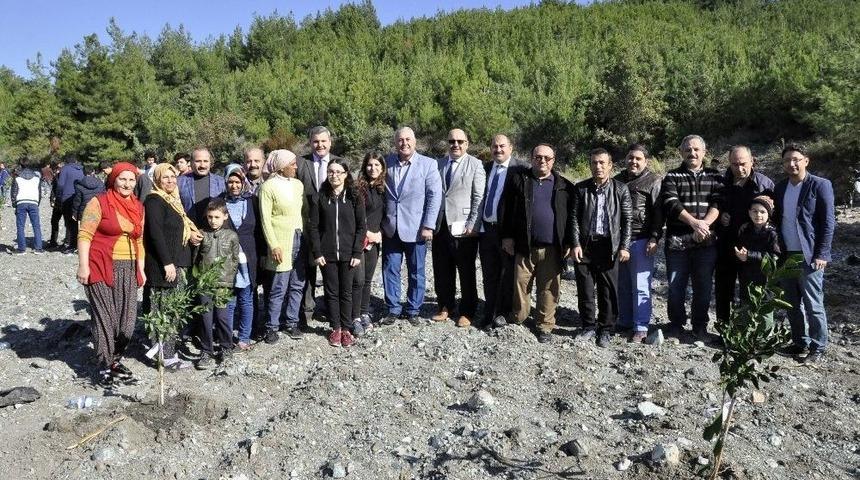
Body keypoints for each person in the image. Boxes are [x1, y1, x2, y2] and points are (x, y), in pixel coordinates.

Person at [76, 162, 146, 386]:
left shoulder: (138, 206)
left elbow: (139, 240)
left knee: (126, 323)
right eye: (122, 179)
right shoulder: (99, 202)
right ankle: (105, 365)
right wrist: (83, 266)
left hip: (129, 266)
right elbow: (85, 234)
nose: (127, 184)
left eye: (131, 180)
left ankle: (115, 358)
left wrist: (141, 269)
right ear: (113, 180)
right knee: (105, 318)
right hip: (100, 263)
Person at [500, 144, 575, 343]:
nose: (542, 161)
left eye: (547, 158)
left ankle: (545, 325)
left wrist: (569, 242)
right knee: (520, 284)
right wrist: (507, 236)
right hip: (524, 245)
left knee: (549, 288)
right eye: (538, 157)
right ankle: (519, 316)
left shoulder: (564, 186)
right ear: (531, 158)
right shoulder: (519, 180)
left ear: (554, 160)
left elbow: (570, 218)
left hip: (552, 247)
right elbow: (507, 210)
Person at [773, 143, 835, 363]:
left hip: (810, 256)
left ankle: (818, 346)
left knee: (813, 303)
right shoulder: (780, 188)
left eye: (796, 159)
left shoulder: (820, 185)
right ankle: (800, 342)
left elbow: (828, 223)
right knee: (791, 303)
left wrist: (822, 254)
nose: (791, 164)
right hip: (788, 254)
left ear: (806, 161)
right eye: (787, 160)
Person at [660, 135, 722, 341]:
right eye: (688, 150)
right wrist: (694, 223)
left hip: (706, 242)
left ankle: (700, 327)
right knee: (676, 286)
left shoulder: (715, 176)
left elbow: (718, 203)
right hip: (678, 242)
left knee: (703, 287)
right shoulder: (672, 176)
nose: (692, 153)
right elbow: (671, 202)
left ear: (704, 152)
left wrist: (703, 226)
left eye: (696, 149)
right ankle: (676, 325)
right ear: (681, 152)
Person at [381, 127, 443, 325]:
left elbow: (434, 197)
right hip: (391, 227)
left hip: (417, 229)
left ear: (415, 142)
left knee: (416, 271)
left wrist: (429, 225)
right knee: (390, 269)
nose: (404, 143)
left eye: (408, 139)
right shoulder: (386, 162)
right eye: (400, 140)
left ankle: (413, 309)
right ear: (395, 142)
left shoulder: (428, 164)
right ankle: (393, 308)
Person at [571, 148, 632, 347]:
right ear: (590, 165)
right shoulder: (580, 189)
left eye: (602, 163)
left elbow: (627, 220)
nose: (598, 166)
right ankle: (588, 326)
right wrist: (575, 243)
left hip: (609, 246)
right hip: (585, 247)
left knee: (608, 291)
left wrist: (624, 246)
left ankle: (606, 329)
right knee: (586, 290)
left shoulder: (621, 189)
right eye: (594, 163)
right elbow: (573, 219)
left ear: (610, 165)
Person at [143, 163, 201, 370]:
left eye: (172, 177)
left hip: (177, 263)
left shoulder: (173, 201)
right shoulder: (154, 201)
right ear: (157, 180)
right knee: (163, 311)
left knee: (172, 310)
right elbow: (156, 234)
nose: (169, 181)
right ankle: (163, 357)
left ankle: (169, 353)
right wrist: (167, 262)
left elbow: (178, 228)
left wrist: (191, 235)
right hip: (163, 267)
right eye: (164, 177)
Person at [309, 158, 367, 347]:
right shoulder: (320, 197)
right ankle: (336, 328)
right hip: (327, 254)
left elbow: (361, 227)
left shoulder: (354, 195)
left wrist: (357, 253)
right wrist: (317, 252)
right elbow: (314, 227)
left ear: (346, 174)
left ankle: (347, 328)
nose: (334, 175)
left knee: (347, 292)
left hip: (349, 253)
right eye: (331, 172)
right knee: (331, 291)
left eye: (339, 172)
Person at [431, 129, 485, 327]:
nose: (456, 144)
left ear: (467, 144)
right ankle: (445, 305)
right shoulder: (438, 164)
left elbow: (479, 198)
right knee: (441, 269)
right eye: (452, 141)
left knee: (466, 271)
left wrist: (473, 224)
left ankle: (468, 310)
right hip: (440, 226)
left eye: (460, 141)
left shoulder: (476, 164)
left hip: (464, 228)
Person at [715, 145, 774, 325]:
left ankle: (750, 330)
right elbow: (713, 206)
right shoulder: (721, 182)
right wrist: (721, 217)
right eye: (734, 164)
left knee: (752, 290)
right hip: (726, 243)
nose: (739, 168)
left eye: (743, 164)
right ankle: (724, 329)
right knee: (723, 289)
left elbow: (773, 215)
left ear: (752, 161)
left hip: (753, 246)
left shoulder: (764, 184)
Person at [614, 144, 663, 342]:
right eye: (630, 158)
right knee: (623, 284)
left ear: (646, 161)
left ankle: (641, 326)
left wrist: (654, 237)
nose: (633, 162)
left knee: (641, 286)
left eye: (638, 158)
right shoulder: (617, 180)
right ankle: (624, 321)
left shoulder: (654, 181)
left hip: (642, 239)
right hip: (619, 241)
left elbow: (659, 212)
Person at [297, 126, 345, 325]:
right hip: (306, 224)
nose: (320, 145)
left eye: (323, 141)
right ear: (310, 143)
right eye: (316, 141)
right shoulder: (301, 163)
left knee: (331, 269)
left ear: (330, 142)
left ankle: (332, 308)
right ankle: (307, 311)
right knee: (307, 269)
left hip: (333, 227)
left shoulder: (339, 163)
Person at [478, 134, 527, 328]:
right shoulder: (486, 168)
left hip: (507, 232)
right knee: (489, 274)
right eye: (494, 146)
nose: (498, 149)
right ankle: (489, 311)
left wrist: (512, 235)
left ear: (511, 148)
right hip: (486, 231)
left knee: (507, 275)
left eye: (502, 146)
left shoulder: (521, 170)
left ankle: (503, 313)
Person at [259, 149, 307, 343]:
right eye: (292, 164)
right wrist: (274, 245)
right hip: (281, 241)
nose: (296, 167)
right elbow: (265, 219)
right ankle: (271, 326)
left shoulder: (298, 185)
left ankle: (292, 322)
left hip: (299, 237)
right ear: (281, 167)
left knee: (297, 283)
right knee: (279, 286)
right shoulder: (268, 187)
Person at [193, 199, 241, 369]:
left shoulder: (232, 236)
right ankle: (206, 350)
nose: (213, 220)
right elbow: (196, 258)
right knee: (206, 318)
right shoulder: (202, 234)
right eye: (210, 217)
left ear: (225, 217)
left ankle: (226, 347)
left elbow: (235, 260)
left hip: (223, 285)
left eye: (217, 217)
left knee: (222, 318)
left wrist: (230, 279)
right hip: (205, 284)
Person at [222, 165, 263, 350]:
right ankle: (227, 336)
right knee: (229, 300)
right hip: (226, 259)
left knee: (246, 298)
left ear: (243, 182)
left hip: (249, 257)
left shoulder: (252, 201)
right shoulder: (218, 203)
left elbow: (260, 230)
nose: (234, 185)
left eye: (237, 181)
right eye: (230, 182)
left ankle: (244, 337)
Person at [353, 152, 386, 332]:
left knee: (367, 280)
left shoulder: (383, 188)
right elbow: (354, 216)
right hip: (359, 239)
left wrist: (379, 234)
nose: (373, 169)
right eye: (369, 165)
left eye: (376, 165)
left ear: (382, 168)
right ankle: (354, 316)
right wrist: (367, 234)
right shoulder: (358, 188)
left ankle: (364, 312)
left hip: (375, 241)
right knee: (357, 280)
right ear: (364, 167)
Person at [734, 196, 780, 303]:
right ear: (749, 212)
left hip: (765, 280)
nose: (758, 215)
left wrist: (749, 255)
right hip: (746, 280)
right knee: (746, 310)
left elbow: (774, 257)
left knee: (764, 313)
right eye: (754, 211)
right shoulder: (745, 230)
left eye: (762, 212)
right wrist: (740, 256)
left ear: (769, 214)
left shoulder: (772, 233)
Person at [178, 147, 226, 228]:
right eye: (198, 161)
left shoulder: (221, 182)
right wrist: (190, 232)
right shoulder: (179, 182)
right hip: (189, 234)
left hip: (215, 235)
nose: (202, 165)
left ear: (210, 163)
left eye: (205, 161)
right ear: (191, 163)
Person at [11, 158, 44, 254]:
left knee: (20, 226)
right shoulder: (36, 178)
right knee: (36, 225)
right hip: (33, 202)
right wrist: (37, 203)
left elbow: (13, 193)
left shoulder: (17, 178)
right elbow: (39, 193)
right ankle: (38, 248)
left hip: (21, 202)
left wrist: (14, 204)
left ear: (20, 165)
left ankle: (22, 249)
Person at [57, 154, 85, 254]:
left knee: (69, 222)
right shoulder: (81, 169)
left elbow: (60, 184)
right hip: (79, 196)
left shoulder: (65, 169)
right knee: (76, 221)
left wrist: (58, 196)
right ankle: (76, 243)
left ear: (66, 161)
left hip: (67, 197)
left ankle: (71, 244)